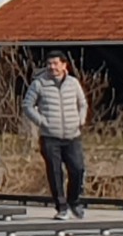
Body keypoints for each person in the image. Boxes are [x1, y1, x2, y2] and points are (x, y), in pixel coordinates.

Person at [24, 53, 91, 219]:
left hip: (72, 134)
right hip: (50, 136)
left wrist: (81, 119)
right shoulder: (39, 84)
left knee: (78, 169)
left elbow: (82, 103)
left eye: (55, 63)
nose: (52, 67)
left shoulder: (73, 83)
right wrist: (42, 121)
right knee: (55, 173)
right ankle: (61, 207)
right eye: (49, 64)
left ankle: (74, 201)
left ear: (64, 65)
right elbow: (27, 105)